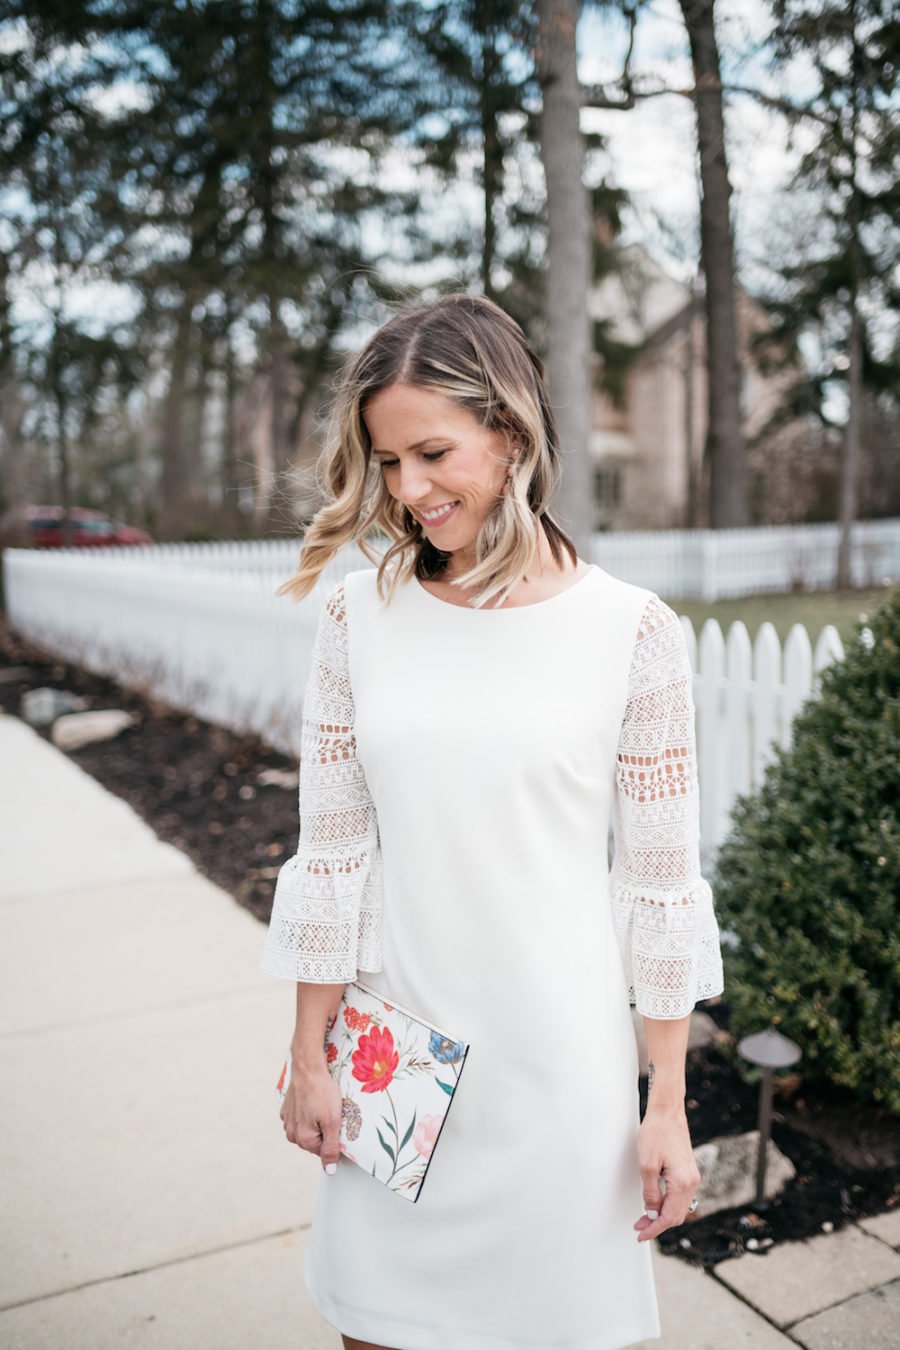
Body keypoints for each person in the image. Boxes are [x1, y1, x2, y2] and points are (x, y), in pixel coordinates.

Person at [259, 292, 725, 1350]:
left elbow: (661, 889)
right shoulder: (356, 619)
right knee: (375, 1333)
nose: (408, 489)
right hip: (394, 1067)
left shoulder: (632, 634)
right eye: (386, 463)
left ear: (509, 434)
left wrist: (667, 1103)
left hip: (559, 1083)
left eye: (431, 452)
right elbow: (330, 856)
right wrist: (311, 1054)